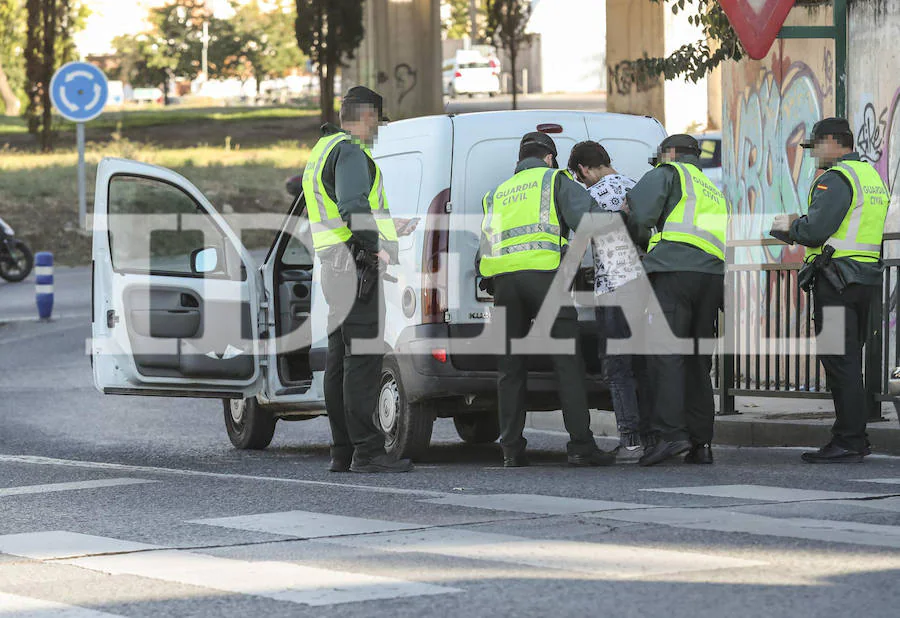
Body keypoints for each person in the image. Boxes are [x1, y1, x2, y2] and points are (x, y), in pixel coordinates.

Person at [477, 132, 617, 468]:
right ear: (550, 158)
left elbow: (484, 245)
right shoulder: (554, 180)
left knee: (510, 368)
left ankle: (511, 449)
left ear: (520, 159)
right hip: (544, 278)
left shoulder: (497, 193)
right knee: (567, 362)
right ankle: (581, 446)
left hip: (505, 283)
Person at [301, 86, 412, 473]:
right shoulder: (349, 151)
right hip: (355, 263)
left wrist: (383, 228)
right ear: (366, 117)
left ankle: (342, 450)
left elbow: (337, 209)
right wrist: (373, 247)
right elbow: (352, 206)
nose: (377, 131)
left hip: (332, 263)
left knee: (339, 359)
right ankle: (369, 451)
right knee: (362, 360)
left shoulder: (321, 151)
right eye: (377, 122)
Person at [771, 117, 889, 463]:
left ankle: (850, 439)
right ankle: (853, 437)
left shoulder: (836, 178)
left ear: (834, 142)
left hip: (837, 280)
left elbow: (815, 231)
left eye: (816, 146)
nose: (813, 154)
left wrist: (790, 226)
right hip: (864, 279)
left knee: (841, 361)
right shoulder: (871, 177)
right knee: (850, 360)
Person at [626, 134, 727, 467]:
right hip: (710, 278)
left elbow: (640, 215)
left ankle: (671, 436)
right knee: (698, 360)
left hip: (673, 272)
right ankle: (702, 444)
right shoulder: (712, 187)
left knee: (667, 355)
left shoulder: (669, 172)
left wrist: (642, 240)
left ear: (668, 155)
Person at [567, 141, 649, 460]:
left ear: (584, 170)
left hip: (614, 288)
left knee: (617, 367)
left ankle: (630, 440)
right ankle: (652, 436)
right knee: (643, 363)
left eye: (579, 176)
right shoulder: (636, 186)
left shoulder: (592, 196)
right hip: (646, 284)